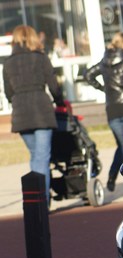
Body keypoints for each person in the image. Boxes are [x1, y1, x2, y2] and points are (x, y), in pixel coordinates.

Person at [2, 24, 65, 204]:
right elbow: (53, 85)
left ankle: (36, 199)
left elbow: (8, 92)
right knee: (42, 157)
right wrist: (60, 102)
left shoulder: (8, 63)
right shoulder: (40, 58)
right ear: (33, 38)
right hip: (41, 109)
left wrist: (18, 99)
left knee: (35, 156)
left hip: (21, 112)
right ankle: (42, 201)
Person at [85, 31, 123, 192]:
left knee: (122, 145)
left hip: (112, 109)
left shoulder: (105, 60)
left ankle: (112, 177)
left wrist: (105, 89)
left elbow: (88, 74)